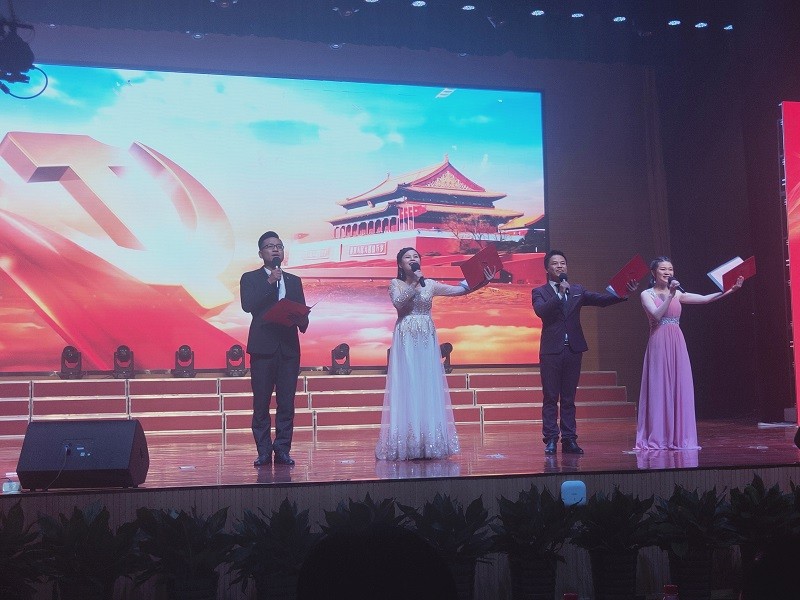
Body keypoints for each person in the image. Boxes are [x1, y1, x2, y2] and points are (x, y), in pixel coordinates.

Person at [375, 247, 492, 461]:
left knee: (427, 384)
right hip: (406, 336)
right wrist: (413, 283)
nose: (413, 259)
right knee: (409, 384)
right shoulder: (396, 284)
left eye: (416, 256)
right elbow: (399, 303)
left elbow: (460, 290)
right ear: (400, 264)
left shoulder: (429, 284)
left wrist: (482, 280)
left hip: (426, 336)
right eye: (408, 257)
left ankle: (429, 441)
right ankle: (407, 442)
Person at [532, 250, 637, 456]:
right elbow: (541, 311)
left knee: (569, 398)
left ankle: (569, 439)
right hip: (551, 351)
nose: (560, 266)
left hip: (573, 350)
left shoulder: (577, 290)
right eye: (555, 263)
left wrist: (624, 293)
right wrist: (559, 294)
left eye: (563, 263)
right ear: (547, 268)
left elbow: (601, 300)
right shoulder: (539, 292)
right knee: (551, 397)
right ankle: (551, 439)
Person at [635, 256, 743, 450]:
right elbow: (657, 316)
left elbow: (705, 299)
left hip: (677, 341)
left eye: (670, 269)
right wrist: (670, 295)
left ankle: (678, 436)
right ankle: (659, 436)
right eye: (663, 269)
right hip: (659, 342)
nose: (667, 272)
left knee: (678, 384)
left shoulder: (678, 294)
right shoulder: (647, 294)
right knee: (660, 386)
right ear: (653, 273)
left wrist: (729, 290)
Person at [240, 231, 309, 467]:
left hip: (288, 349)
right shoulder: (250, 278)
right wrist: (269, 282)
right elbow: (248, 305)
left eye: (279, 246)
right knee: (261, 403)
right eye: (270, 246)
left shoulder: (294, 281)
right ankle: (263, 451)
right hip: (263, 348)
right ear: (261, 253)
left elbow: (301, 311)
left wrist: (302, 319)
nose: (276, 249)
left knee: (286, 403)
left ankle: (282, 450)